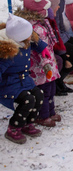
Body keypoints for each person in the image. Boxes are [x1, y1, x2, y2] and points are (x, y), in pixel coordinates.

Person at [15, 0, 62, 127]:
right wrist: (46, 64)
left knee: (51, 89)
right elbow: (38, 50)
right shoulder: (34, 29)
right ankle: (42, 115)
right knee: (45, 91)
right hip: (40, 67)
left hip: (48, 63)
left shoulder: (42, 23)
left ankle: (51, 111)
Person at [0, 14, 45, 144]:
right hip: (9, 85)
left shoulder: (25, 41)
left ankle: (28, 123)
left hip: (24, 80)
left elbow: (36, 43)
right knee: (28, 100)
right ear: (20, 37)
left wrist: (43, 47)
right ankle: (13, 128)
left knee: (39, 94)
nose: (31, 35)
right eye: (29, 34)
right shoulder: (8, 53)